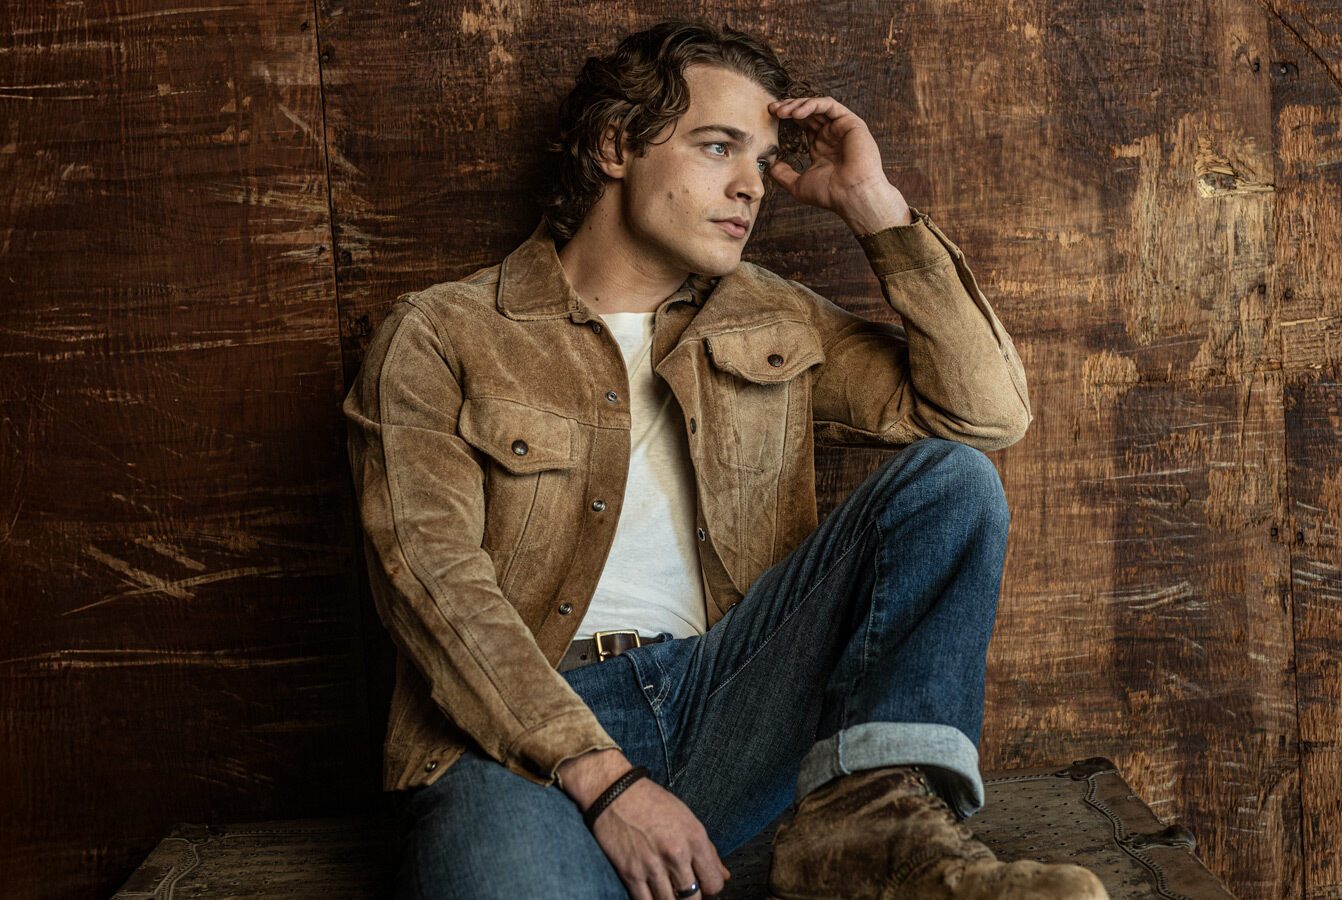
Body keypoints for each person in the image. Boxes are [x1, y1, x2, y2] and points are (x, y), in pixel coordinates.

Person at [342, 18, 1107, 900]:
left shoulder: (767, 316)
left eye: (764, 160)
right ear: (613, 145)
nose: (750, 186)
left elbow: (983, 418)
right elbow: (431, 581)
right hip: (520, 738)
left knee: (951, 483)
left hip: (725, 701)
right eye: (718, 147)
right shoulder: (444, 335)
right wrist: (605, 776)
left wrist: (876, 208)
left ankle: (870, 827)